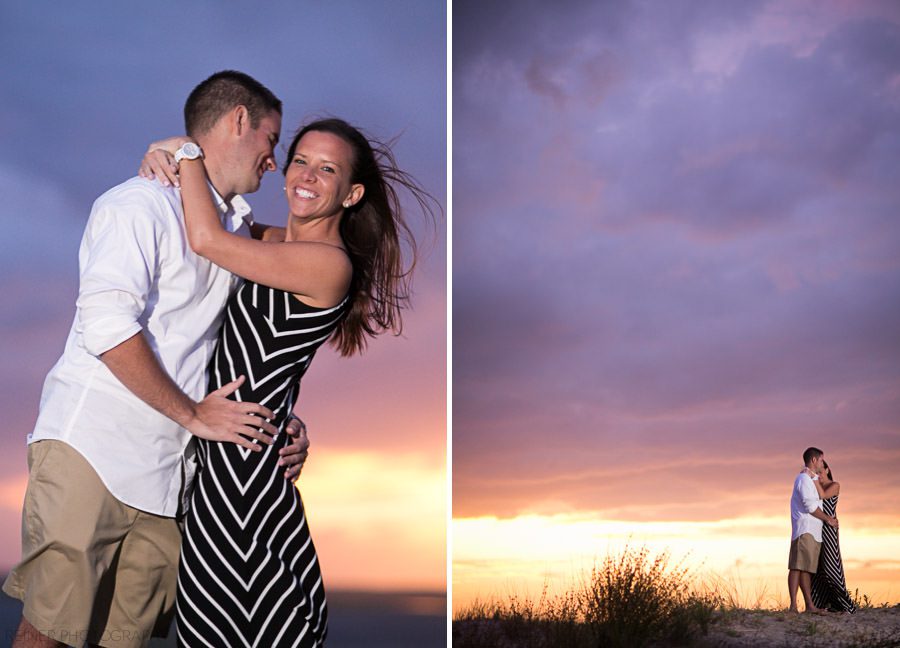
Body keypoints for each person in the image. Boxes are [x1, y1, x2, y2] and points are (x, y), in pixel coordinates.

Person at [3, 71, 312, 648]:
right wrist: (194, 415)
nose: (275, 159)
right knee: (52, 634)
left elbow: (239, 344)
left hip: (170, 481)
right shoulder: (136, 205)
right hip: (91, 452)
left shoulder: (235, 228)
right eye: (272, 139)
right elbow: (106, 327)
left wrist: (280, 419)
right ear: (238, 121)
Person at [138, 117, 438, 646]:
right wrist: (161, 152)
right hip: (230, 459)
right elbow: (217, 222)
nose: (308, 176)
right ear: (281, 167)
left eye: (328, 169)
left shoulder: (328, 266)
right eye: (300, 160)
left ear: (352, 193)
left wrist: (184, 150)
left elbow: (206, 237)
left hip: (243, 479)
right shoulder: (271, 242)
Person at [788, 446, 839, 614]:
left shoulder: (810, 479)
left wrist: (815, 476)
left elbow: (820, 496)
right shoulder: (803, 479)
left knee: (806, 568)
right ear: (815, 460)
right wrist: (828, 519)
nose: (823, 463)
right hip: (805, 529)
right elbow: (810, 507)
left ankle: (809, 605)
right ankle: (793, 606)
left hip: (813, 531)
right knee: (797, 566)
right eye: (822, 460)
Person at [810, 461, 856, 613]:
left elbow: (822, 496)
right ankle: (823, 604)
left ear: (827, 470)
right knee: (817, 568)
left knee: (831, 566)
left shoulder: (834, 485)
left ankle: (845, 605)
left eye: (820, 472)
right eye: (816, 473)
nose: (819, 476)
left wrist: (812, 478)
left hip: (829, 530)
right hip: (816, 529)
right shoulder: (815, 487)